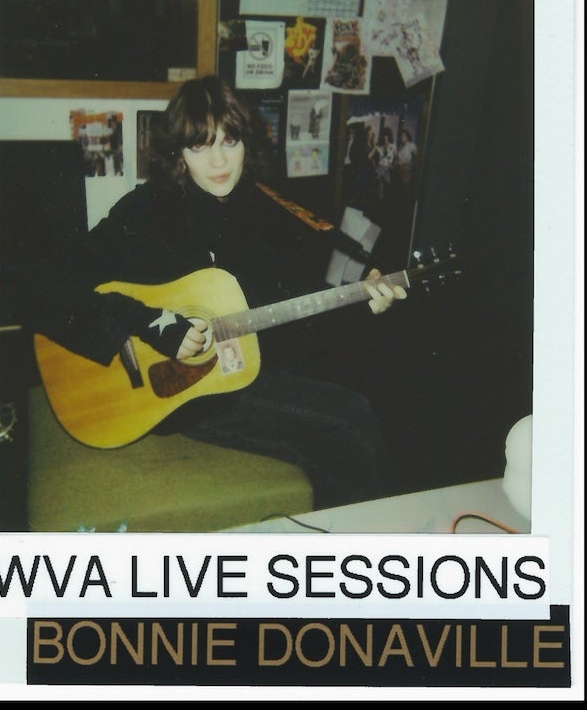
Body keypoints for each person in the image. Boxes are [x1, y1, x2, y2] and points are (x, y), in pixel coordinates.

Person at [24, 76, 407, 512]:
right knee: (350, 423)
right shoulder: (146, 211)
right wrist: (151, 323)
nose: (220, 160)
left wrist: (362, 303)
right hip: (181, 396)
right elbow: (44, 283)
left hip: (248, 373)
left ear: (247, 143)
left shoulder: (265, 210)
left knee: (362, 405)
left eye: (230, 140)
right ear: (179, 154)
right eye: (200, 145)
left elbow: (297, 307)